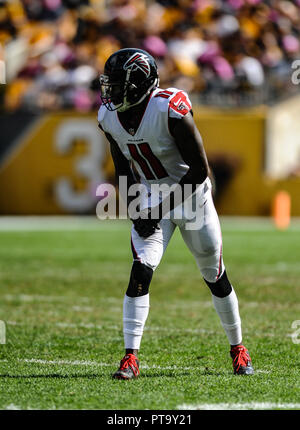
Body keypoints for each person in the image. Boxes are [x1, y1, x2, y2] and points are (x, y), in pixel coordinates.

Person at [97, 48, 254, 380]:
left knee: (214, 274)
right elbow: (122, 167)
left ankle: (238, 348)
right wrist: (135, 207)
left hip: (191, 196)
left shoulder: (169, 108)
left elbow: (199, 170)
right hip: (151, 193)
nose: (109, 92)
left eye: (116, 85)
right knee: (141, 271)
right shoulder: (108, 117)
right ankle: (130, 357)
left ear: (137, 84)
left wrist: (157, 209)